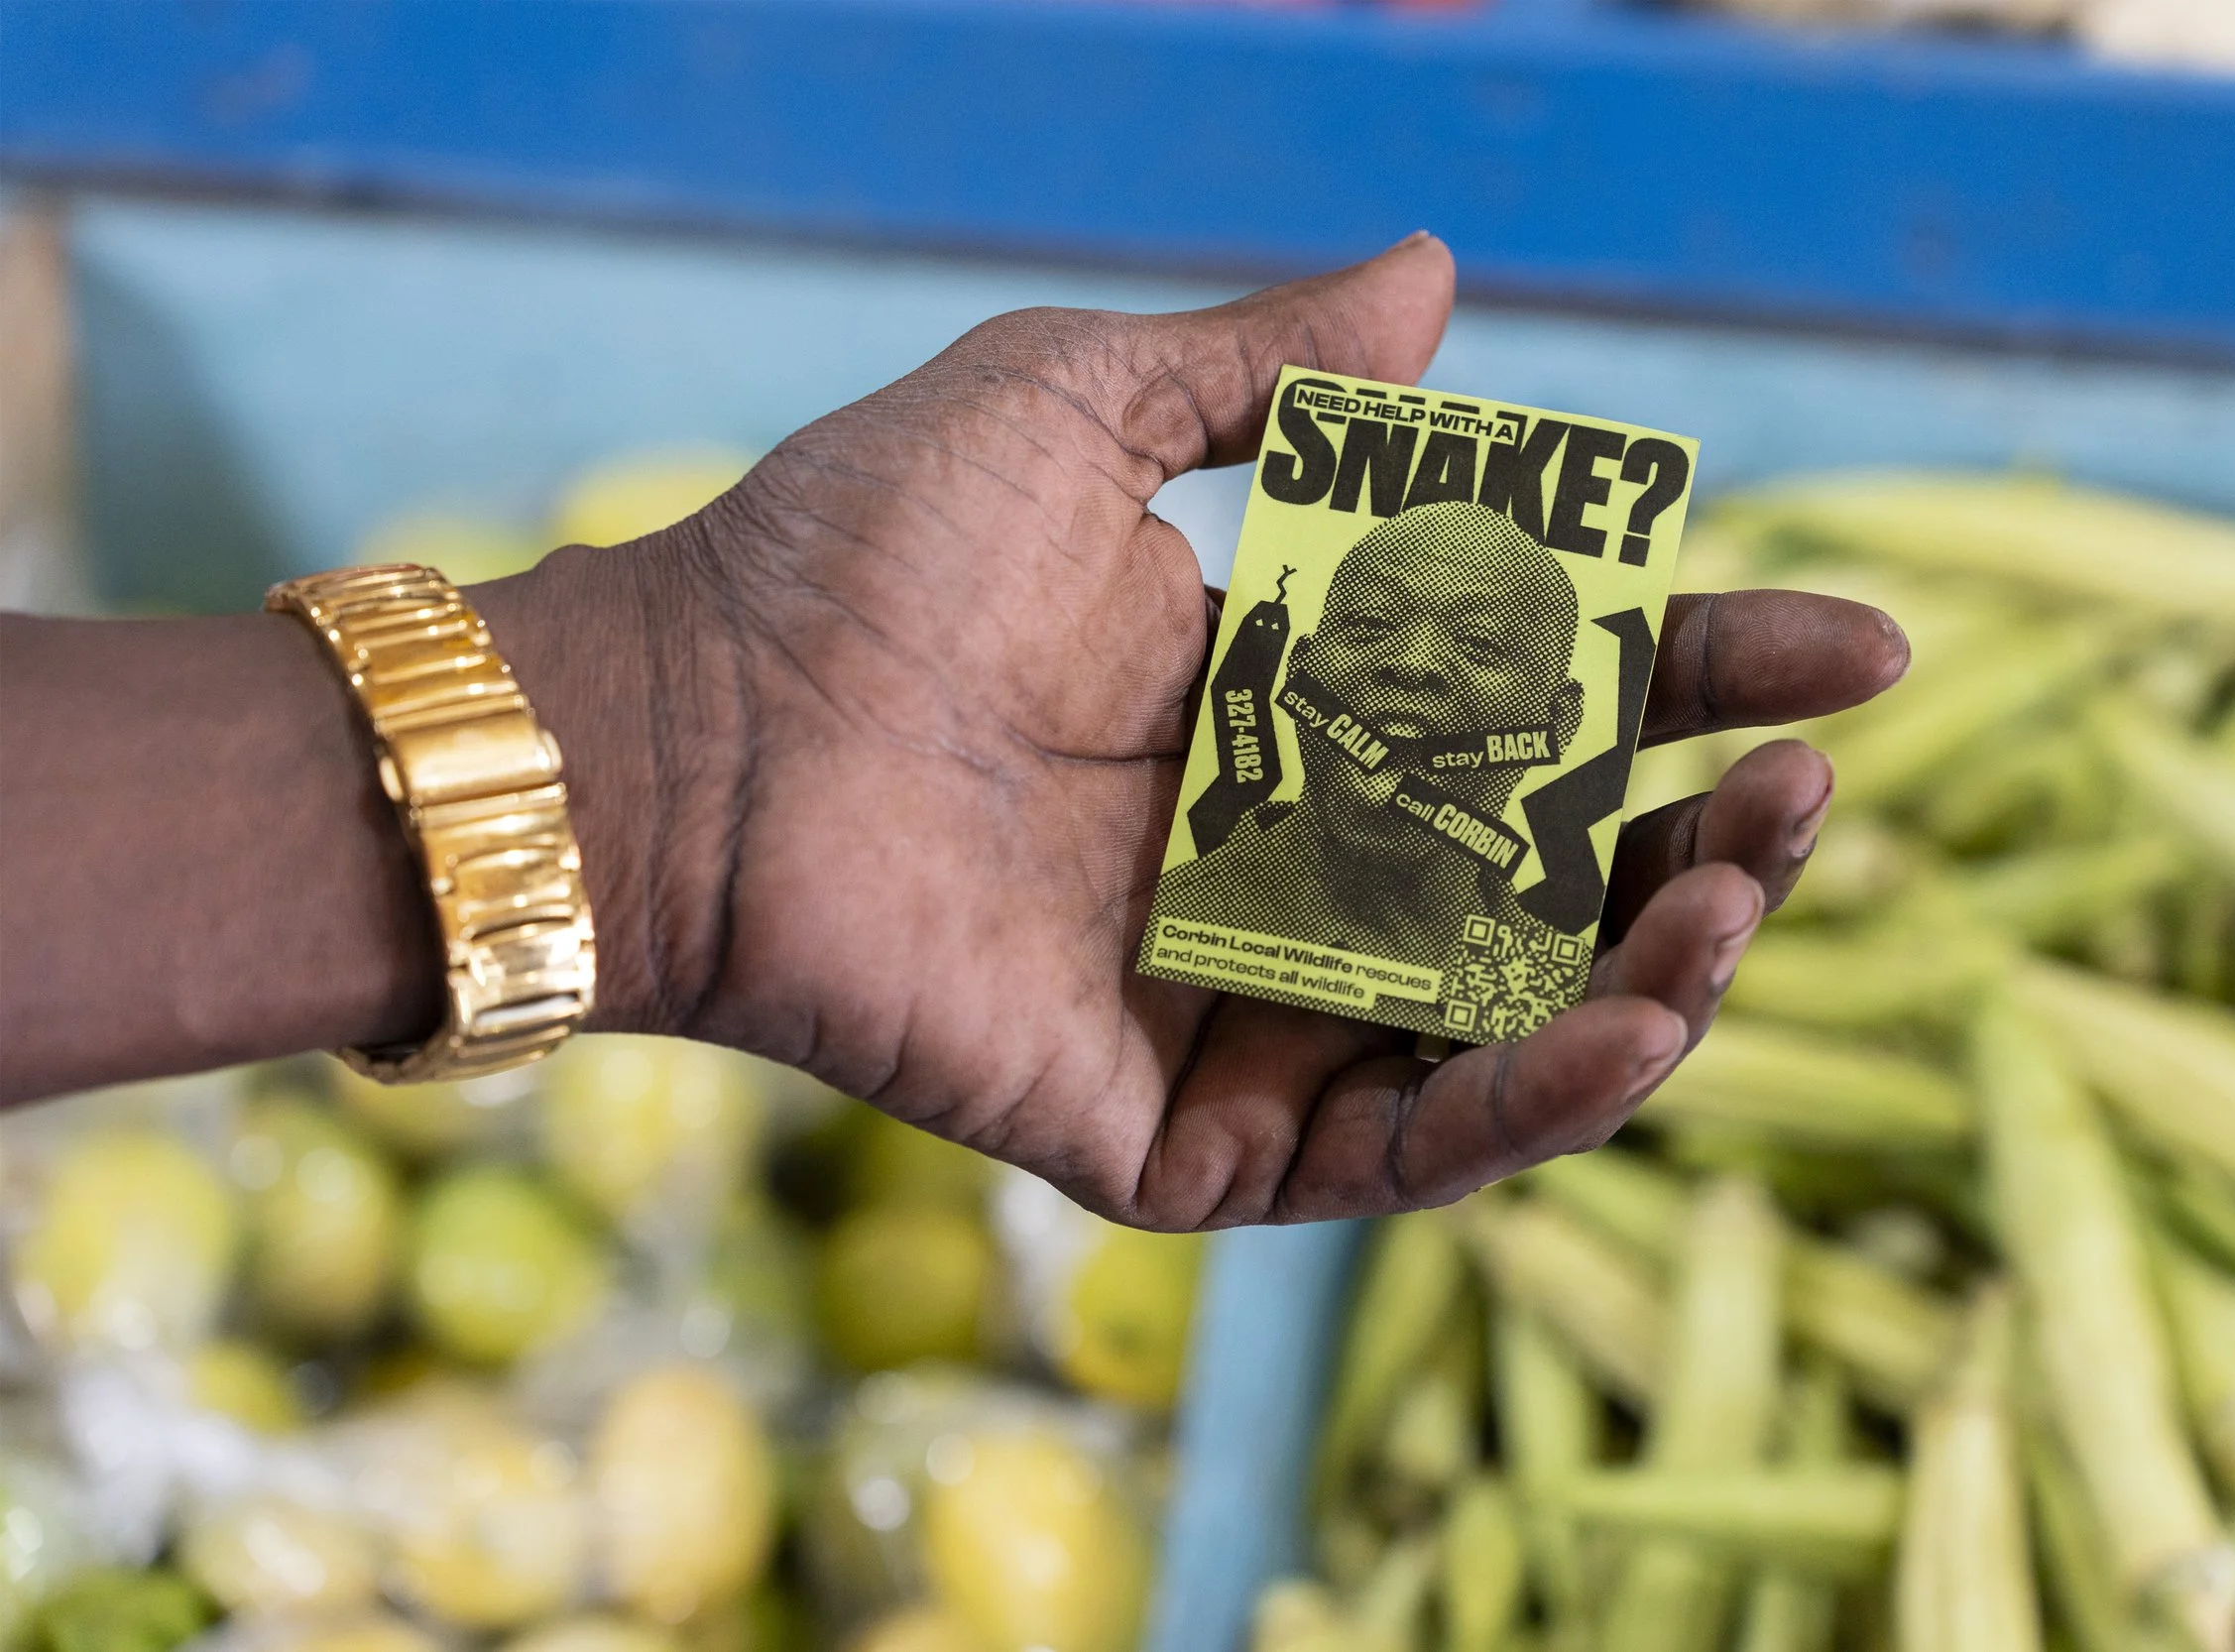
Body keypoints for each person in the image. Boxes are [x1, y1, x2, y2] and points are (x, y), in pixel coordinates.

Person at [0, 234, 1908, 1228]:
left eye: (1462, 660)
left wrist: (671, 768)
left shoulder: (1455, 869)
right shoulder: (1265, 815)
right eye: (1370, 626)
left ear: (1529, 721)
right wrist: (688, 747)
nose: (1396, 681)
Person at [1153, 498, 1591, 1024]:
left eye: (1481, 644)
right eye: (1368, 626)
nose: (1414, 665)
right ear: (1299, 671)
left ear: (1560, 720)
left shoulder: (1528, 996)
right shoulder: (1187, 913)